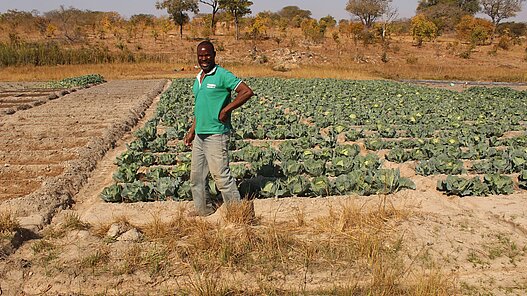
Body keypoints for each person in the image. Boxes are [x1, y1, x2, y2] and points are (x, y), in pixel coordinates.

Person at [184, 40, 254, 216]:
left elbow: (246, 91)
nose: (204, 58)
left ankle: (238, 213)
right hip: (200, 134)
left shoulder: (222, 75)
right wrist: (192, 130)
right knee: (197, 177)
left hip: (216, 134)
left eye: (207, 54)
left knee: (221, 176)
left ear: (214, 54)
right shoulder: (199, 76)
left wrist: (226, 109)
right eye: (200, 56)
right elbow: (200, 106)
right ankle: (203, 210)